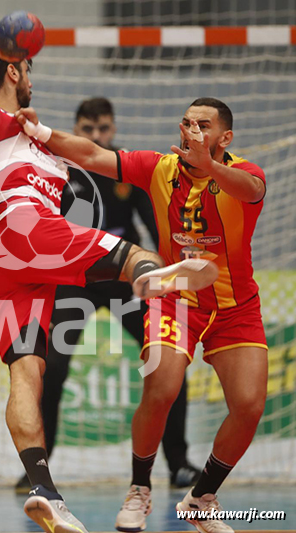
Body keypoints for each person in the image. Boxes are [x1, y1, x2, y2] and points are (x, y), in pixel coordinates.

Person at [0, 25, 217, 533]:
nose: (31, 81)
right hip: (27, 232)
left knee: (27, 373)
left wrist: (41, 136)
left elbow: (73, 158)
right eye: (27, 70)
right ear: (13, 70)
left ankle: (44, 490)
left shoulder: (34, 139)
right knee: (138, 255)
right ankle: (151, 278)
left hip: (7, 263)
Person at [16, 97, 267, 533]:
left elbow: (250, 190)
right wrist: (40, 133)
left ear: (225, 138)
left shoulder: (245, 173)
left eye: (203, 125)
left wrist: (209, 165)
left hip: (234, 305)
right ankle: (139, 489)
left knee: (248, 406)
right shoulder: (156, 167)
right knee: (162, 386)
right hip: (174, 298)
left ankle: (202, 497)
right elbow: (92, 154)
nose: (191, 130)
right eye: (187, 122)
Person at [16, 96, 200, 493]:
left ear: (112, 129)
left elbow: (153, 222)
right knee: (53, 370)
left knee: (168, 363)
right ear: (78, 129)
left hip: (125, 280)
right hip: (74, 282)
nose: (96, 135)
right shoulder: (59, 168)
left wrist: (172, 266)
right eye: (88, 129)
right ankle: (39, 472)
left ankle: (179, 463)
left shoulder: (126, 168)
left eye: (103, 129)